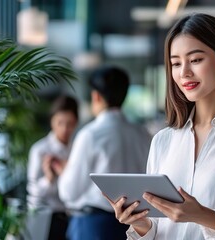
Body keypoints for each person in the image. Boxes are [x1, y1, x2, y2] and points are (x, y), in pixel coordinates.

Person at [106, 13, 215, 240]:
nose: (184, 72)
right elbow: (158, 231)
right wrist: (140, 224)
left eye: (196, 60)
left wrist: (202, 216)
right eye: (176, 63)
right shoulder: (163, 140)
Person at [58, 65, 152, 240]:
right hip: (135, 224)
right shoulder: (142, 133)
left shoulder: (90, 134)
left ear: (96, 96)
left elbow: (69, 192)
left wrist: (64, 171)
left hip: (94, 225)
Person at [27, 95, 79, 240]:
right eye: (60, 122)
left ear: (76, 122)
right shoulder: (40, 150)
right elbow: (33, 192)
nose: (64, 129)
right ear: (52, 121)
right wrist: (49, 179)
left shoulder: (78, 150)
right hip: (45, 218)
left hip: (71, 217)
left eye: (69, 123)